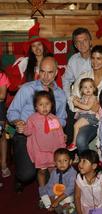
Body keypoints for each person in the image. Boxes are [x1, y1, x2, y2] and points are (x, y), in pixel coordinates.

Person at [7, 56, 67, 192]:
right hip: (26, 134)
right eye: (42, 71)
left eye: (50, 72)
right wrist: (18, 122)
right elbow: (12, 111)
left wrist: (59, 131)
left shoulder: (61, 95)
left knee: (54, 169)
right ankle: (20, 174)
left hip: (48, 136)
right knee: (26, 175)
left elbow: (62, 119)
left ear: (56, 72)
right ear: (38, 70)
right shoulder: (27, 89)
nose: (45, 76)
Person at [69, 45, 102, 153]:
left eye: (99, 58)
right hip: (87, 118)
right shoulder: (83, 77)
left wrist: (99, 107)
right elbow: (72, 98)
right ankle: (86, 165)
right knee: (80, 139)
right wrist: (78, 104)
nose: (95, 61)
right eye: (93, 58)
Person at [23, 90, 66, 191]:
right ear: (36, 107)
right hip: (39, 151)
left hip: (53, 151)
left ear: (52, 104)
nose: (44, 107)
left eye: (47, 104)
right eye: (41, 104)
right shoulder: (32, 119)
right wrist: (23, 128)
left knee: (53, 171)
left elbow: (59, 134)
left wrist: (62, 148)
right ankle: (43, 192)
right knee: (41, 171)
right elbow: (27, 132)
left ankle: (54, 190)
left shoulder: (54, 119)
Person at [5, 22, 52, 107]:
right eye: (34, 46)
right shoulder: (24, 62)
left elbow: (58, 85)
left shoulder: (50, 63)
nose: (37, 48)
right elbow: (12, 86)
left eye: (39, 45)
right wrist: (22, 86)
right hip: (28, 101)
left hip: (46, 102)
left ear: (43, 46)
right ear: (31, 49)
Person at [75, 149, 102, 214]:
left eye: (84, 161)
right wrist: (79, 212)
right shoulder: (79, 178)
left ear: (94, 166)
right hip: (86, 209)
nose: (80, 164)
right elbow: (77, 197)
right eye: (80, 160)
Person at [39, 148, 77, 213]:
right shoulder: (54, 172)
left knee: (70, 199)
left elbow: (70, 189)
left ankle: (64, 206)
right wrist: (52, 199)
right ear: (55, 163)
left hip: (66, 195)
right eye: (59, 161)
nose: (62, 163)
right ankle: (50, 204)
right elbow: (50, 186)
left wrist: (58, 200)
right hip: (56, 193)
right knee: (44, 190)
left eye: (65, 160)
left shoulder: (73, 173)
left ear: (70, 161)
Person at [67, 78, 99, 152]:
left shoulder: (92, 97)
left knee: (76, 126)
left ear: (94, 89)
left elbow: (87, 107)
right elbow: (81, 105)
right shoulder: (84, 97)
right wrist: (78, 100)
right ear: (81, 90)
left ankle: (74, 143)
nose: (88, 89)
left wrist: (78, 103)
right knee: (75, 126)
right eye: (85, 87)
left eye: (90, 87)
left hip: (91, 117)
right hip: (84, 117)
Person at [62, 27, 92, 100]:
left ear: (90, 42)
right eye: (78, 42)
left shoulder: (99, 55)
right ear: (75, 45)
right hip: (80, 98)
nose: (82, 44)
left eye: (85, 40)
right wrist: (69, 98)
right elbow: (66, 80)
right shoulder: (73, 60)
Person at [0, 71, 11, 184]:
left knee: (2, 137)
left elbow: (2, 96)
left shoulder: (1, 76)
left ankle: (3, 164)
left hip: (0, 112)